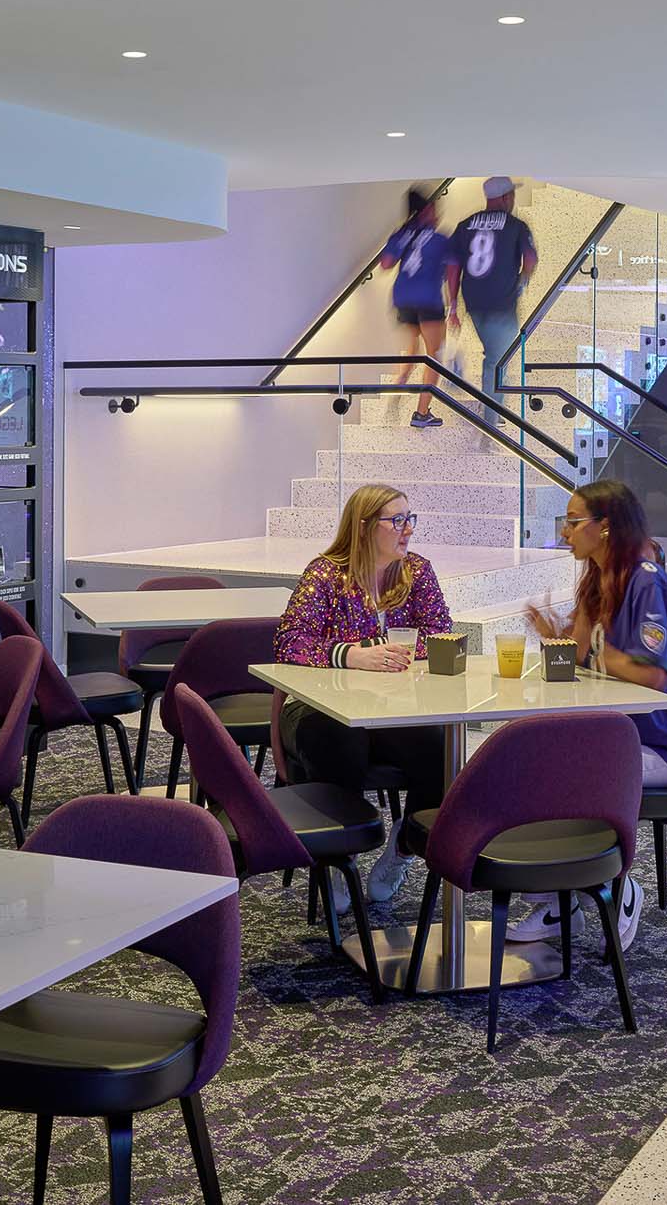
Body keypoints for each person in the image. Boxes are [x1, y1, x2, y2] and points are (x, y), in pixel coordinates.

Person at [522, 480, 667, 952]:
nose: (564, 534)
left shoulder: (647, 580)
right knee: (529, 763)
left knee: (568, 776)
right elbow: (581, 650)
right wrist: (559, 634)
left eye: (574, 523)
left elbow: (650, 676)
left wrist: (591, 646)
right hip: (613, 736)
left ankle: (620, 887)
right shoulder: (599, 577)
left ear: (605, 527)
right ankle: (558, 903)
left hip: (661, 746)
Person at [274, 484, 453, 903]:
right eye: (396, 520)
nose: (406, 529)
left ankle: (405, 845)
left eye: (410, 518)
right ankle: (339, 859)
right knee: (341, 741)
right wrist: (351, 655)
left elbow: (442, 634)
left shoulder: (417, 571)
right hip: (318, 707)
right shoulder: (326, 572)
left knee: (440, 746)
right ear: (364, 526)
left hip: (391, 705)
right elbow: (288, 642)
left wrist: (397, 654)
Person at [445, 176, 538, 423]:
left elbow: (453, 268)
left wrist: (453, 306)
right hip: (502, 303)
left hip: (474, 303)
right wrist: (522, 282)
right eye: (512, 196)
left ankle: (494, 408)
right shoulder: (516, 225)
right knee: (496, 361)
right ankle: (491, 418)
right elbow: (530, 260)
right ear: (506, 197)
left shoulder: (465, 225)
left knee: (495, 356)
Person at [379, 185, 453, 430]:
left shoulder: (402, 233)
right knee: (435, 356)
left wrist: (404, 239)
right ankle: (422, 413)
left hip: (402, 297)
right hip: (428, 299)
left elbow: (386, 264)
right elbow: (453, 267)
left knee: (412, 346)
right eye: (435, 208)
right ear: (428, 209)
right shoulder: (440, 238)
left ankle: (399, 383)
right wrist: (454, 305)